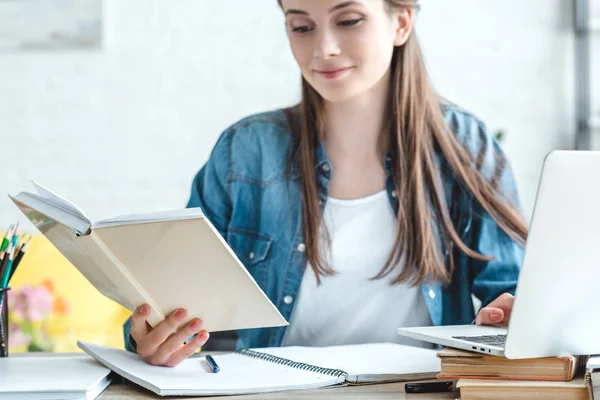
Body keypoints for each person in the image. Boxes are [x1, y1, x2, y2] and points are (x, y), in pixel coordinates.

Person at [123, 0, 528, 367]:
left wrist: (513, 319)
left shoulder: (464, 146)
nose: (323, 49)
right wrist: (153, 336)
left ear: (401, 23)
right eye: (301, 27)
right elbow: (165, 306)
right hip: (276, 391)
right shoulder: (245, 152)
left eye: (348, 20)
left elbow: (517, 297)